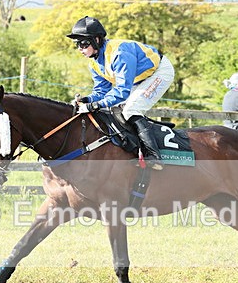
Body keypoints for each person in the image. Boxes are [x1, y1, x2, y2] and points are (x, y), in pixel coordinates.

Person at [66, 16, 174, 170]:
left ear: (96, 40)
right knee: (114, 108)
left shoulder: (119, 53)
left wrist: (95, 105)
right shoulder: (94, 62)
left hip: (158, 72)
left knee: (131, 109)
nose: (80, 49)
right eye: (77, 44)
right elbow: (102, 91)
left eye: (83, 44)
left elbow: (122, 91)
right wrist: (88, 100)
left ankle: (154, 156)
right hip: (138, 79)